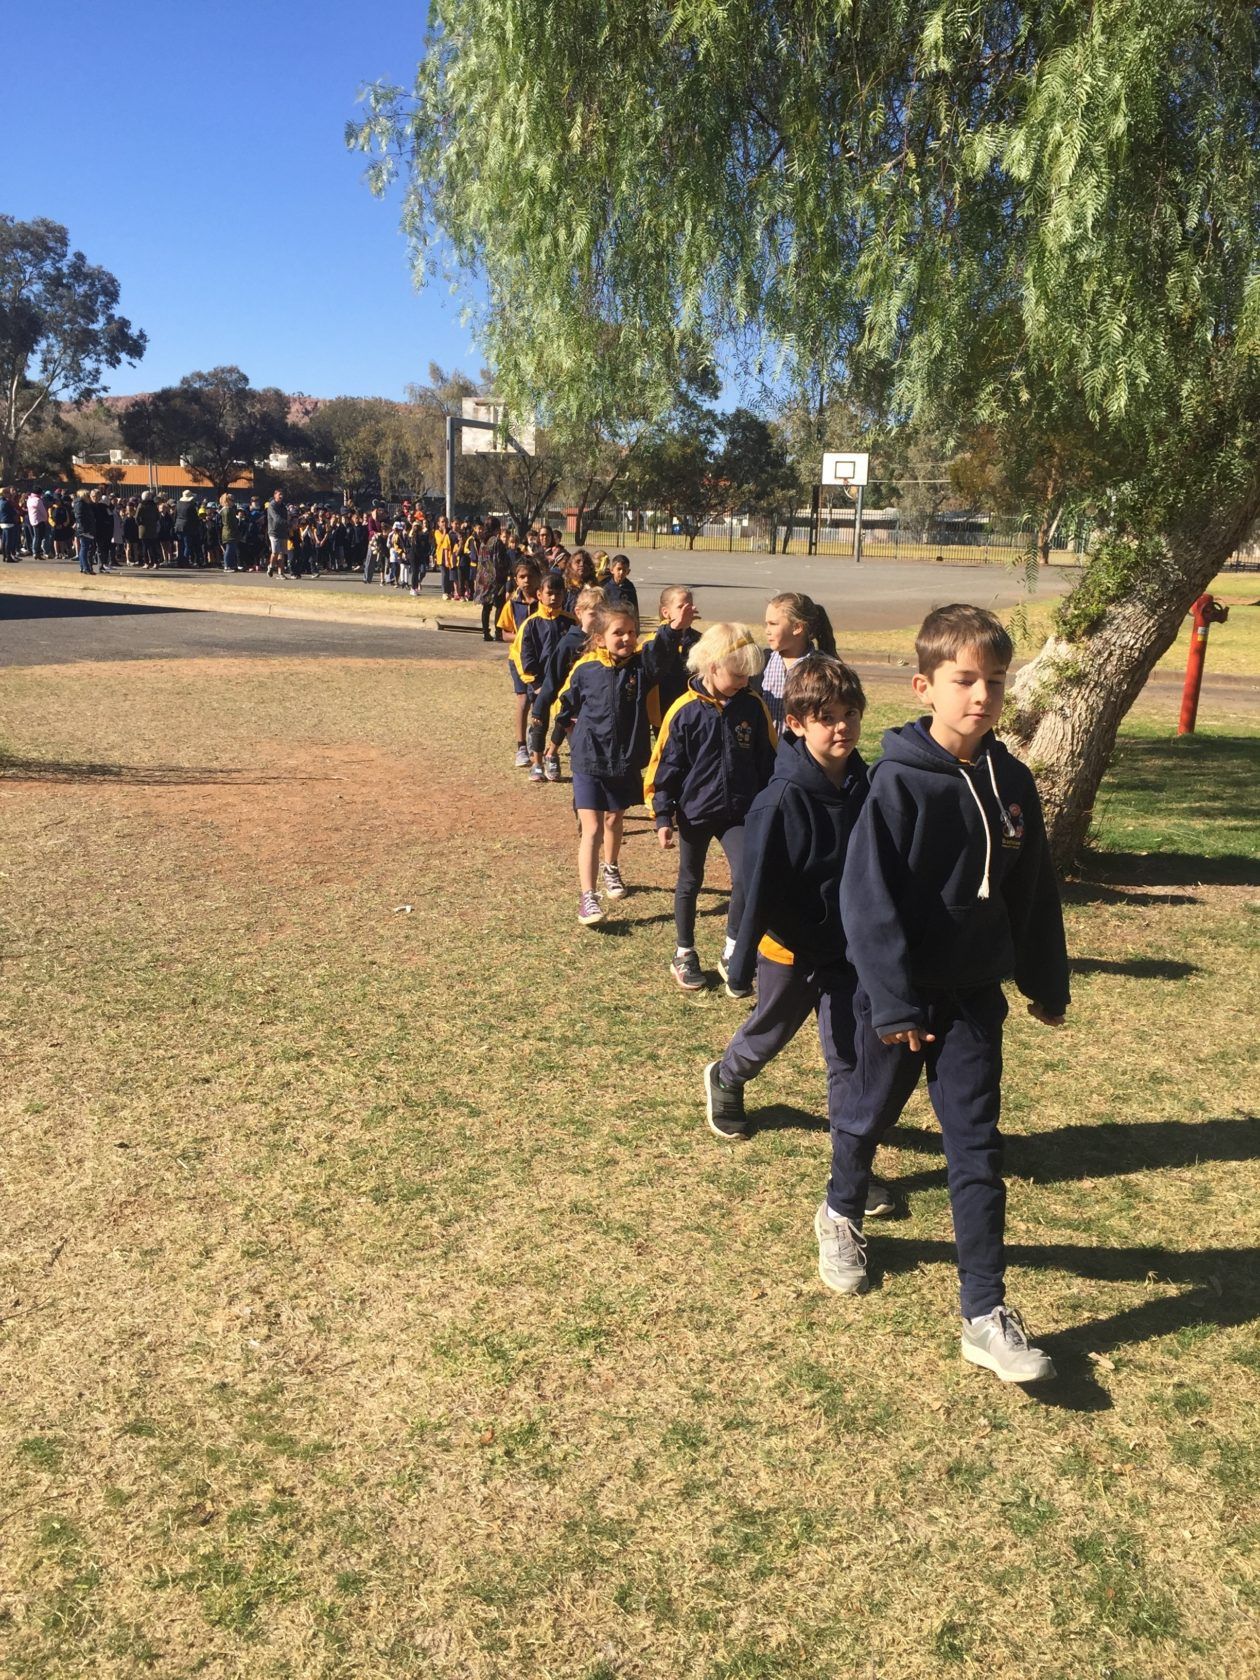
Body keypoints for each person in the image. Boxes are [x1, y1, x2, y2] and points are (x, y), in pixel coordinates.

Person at [818, 603, 1070, 1385]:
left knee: (976, 1149)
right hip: (898, 1002)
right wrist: (891, 1005)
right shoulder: (897, 783)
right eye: (965, 681)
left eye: (995, 682)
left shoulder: (1013, 781)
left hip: (972, 1002)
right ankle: (841, 1210)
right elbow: (867, 904)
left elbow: (1033, 890)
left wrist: (1043, 979)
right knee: (865, 1114)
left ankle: (984, 1313)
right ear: (927, 686)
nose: (982, 697)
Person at [702, 655, 889, 1225]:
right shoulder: (779, 800)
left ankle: (851, 1168)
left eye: (850, 715)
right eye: (827, 716)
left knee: (849, 1058)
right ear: (796, 723)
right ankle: (727, 1075)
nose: (842, 728)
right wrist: (739, 963)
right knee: (769, 1032)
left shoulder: (869, 785)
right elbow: (753, 888)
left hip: (849, 951)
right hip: (789, 949)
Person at [645, 623, 776, 991]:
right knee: (690, 880)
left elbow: (769, 761)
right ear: (712, 666)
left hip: (739, 811)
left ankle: (734, 949)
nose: (743, 682)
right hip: (695, 812)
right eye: (737, 675)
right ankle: (684, 952)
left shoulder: (752, 706)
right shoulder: (684, 711)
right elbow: (665, 767)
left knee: (747, 877)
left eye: (748, 675)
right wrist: (662, 815)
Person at [553, 599, 667, 925]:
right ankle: (587, 897)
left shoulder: (640, 669)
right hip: (589, 761)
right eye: (619, 633)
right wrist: (560, 738)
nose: (628, 638)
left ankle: (611, 867)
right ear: (600, 637)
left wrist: (671, 627)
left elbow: (661, 655)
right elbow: (564, 704)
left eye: (632, 632)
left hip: (624, 761)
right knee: (591, 829)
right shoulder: (586, 669)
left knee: (613, 821)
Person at [531, 585, 604, 781]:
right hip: (571, 708)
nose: (598, 618)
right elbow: (552, 679)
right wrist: (539, 708)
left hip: (595, 709)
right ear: (579, 613)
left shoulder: (605, 641)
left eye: (602, 613)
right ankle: (544, 760)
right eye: (593, 613)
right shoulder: (569, 643)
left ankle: (552, 754)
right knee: (580, 752)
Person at [510, 572, 576, 782]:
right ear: (540, 594)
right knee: (539, 721)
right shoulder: (530, 624)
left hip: (563, 685)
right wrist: (537, 684)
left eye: (558, 593)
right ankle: (537, 762)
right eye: (549, 593)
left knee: (562, 720)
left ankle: (552, 754)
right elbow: (523, 656)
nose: (554, 598)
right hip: (539, 685)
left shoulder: (571, 622)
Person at [760, 592, 838, 732]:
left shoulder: (825, 670)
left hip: (801, 752)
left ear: (797, 627)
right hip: (764, 753)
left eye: (773, 624)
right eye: (766, 624)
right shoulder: (761, 663)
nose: (767, 631)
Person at [497, 559, 542, 765]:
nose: (526, 581)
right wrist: (522, 637)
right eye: (522, 577)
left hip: (540, 660)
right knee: (523, 700)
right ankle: (521, 746)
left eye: (530, 576)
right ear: (515, 580)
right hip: (518, 660)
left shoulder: (544, 603)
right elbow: (504, 633)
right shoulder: (512, 605)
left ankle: (537, 742)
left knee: (538, 702)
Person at [641, 586, 700, 724]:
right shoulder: (653, 641)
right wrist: (674, 629)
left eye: (690, 606)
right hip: (664, 714)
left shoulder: (701, 641)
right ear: (666, 612)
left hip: (694, 713)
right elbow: (654, 668)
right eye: (681, 607)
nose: (687, 611)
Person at [265, 490, 289, 576]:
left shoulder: (283, 506)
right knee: (275, 552)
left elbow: (286, 517)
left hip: (283, 532)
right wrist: (288, 523)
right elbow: (276, 518)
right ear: (275, 495)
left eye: (282, 494)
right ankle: (271, 566)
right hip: (274, 532)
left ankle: (281, 573)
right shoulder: (272, 506)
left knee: (282, 553)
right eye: (279, 494)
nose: (281, 496)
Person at [73, 486, 96, 573]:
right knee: (84, 548)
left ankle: (83, 567)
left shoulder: (84, 504)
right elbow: (80, 517)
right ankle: (86, 568)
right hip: (84, 529)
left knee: (85, 548)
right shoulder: (80, 504)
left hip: (86, 528)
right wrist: (84, 529)